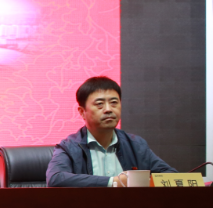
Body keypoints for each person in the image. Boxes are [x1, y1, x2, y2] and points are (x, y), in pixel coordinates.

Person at [46, 76, 175, 187]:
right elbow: (55, 179)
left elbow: (171, 176)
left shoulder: (135, 145)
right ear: (82, 112)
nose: (108, 109)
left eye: (114, 103)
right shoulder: (69, 147)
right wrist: (113, 182)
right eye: (99, 104)